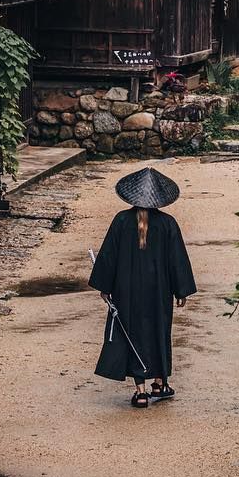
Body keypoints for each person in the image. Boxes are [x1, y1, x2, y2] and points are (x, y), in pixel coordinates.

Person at [89, 166, 196, 408]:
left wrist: (105, 286)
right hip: (159, 291)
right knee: (159, 332)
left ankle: (140, 391)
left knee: (132, 333)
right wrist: (181, 290)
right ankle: (160, 382)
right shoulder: (167, 224)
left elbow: (109, 256)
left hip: (126, 291)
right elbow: (177, 259)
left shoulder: (121, 221)